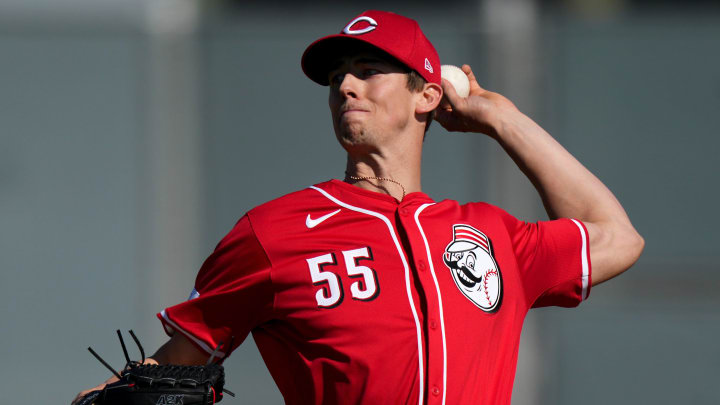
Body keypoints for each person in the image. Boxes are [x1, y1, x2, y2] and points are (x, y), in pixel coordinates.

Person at [73, 10, 644, 405]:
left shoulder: (490, 235)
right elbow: (177, 362)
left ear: (428, 94)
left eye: (369, 71)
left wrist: (501, 120)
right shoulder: (273, 232)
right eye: (336, 76)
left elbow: (617, 236)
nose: (345, 85)